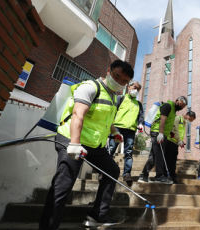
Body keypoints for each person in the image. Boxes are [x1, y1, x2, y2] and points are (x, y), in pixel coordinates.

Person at [39, 60, 134, 229]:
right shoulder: (90, 87)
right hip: (71, 139)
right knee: (64, 184)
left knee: (112, 170)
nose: (119, 82)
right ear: (108, 71)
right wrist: (74, 144)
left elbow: (106, 119)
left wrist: (115, 133)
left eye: (123, 81)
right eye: (116, 76)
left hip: (94, 145)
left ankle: (98, 215)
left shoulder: (113, 97)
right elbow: (78, 114)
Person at [138, 96, 187, 184]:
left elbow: (170, 125)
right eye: (181, 104)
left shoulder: (173, 111)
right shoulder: (168, 106)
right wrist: (160, 133)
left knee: (154, 156)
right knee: (160, 154)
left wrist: (174, 136)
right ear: (177, 100)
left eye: (183, 107)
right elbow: (162, 120)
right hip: (157, 132)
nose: (181, 107)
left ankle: (143, 175)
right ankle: (159, 176)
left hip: (163, 134)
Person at [107, 81, 144, 184]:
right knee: (111, 149)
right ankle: (105, 170)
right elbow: (113, 111)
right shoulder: (120, 98)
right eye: (134, 87)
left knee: (128, 153)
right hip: (117, 127)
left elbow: (141, 116)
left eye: (138, 89)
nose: (136, 90)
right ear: (129, 87)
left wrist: (140, 124)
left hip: (131, 130)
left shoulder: (139, 104)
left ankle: (127, 174)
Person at [166, 111, 196, 183]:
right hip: (170, 142)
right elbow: (174, 130)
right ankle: (167, 176)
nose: (190, 121)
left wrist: (181, 141)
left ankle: (172, 177)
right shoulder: (178, 118)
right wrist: (179, 140)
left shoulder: (184, 123)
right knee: (169, 161)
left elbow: (180, 133)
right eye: (190, 119)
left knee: (173, 161)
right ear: (188, 115)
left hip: (176, 143)